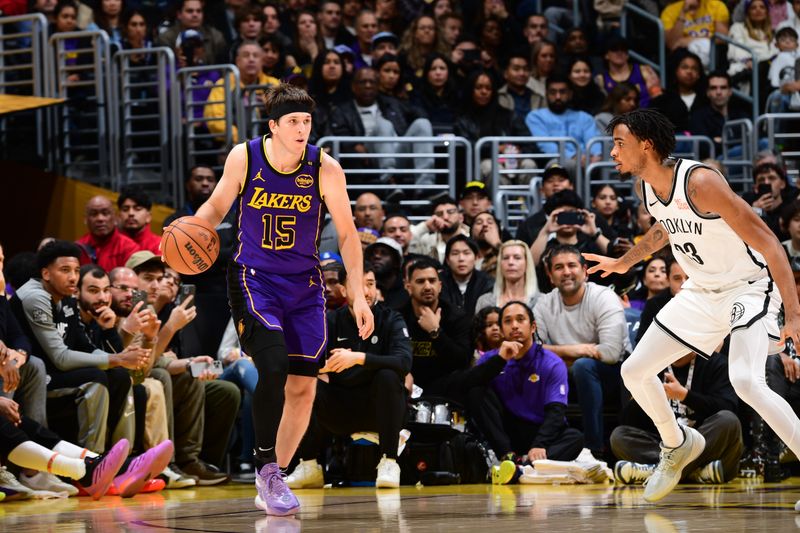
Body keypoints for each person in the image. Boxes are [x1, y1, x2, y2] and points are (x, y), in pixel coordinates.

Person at [584, 109, 800, 505]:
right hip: (702, 292)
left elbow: (770, 243)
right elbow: (666, 226)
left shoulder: (700, 181)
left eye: (619, 143)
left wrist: (795, 314)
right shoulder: (647, 187)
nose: (612, 152)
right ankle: (677, 443)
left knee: (747, 381)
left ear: (645, 145)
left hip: (746, 288)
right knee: (634, 371)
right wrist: (624, 262)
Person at [192, 83, 374, 516]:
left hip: (305, 285)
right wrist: (191, 228)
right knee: (272, 365)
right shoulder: (246, 156)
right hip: (254, 279)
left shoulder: (325, 167)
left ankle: (274, 475)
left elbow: (348, 235)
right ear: (273, 126)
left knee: (303, 387)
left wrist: (358, 294)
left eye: (307, 121)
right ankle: (263, 462)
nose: (301, 129)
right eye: (292, 121)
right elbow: (217, 206)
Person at [285, 264, 412, 489]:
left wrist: (359, 358)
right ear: (343, 291)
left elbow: (404, 363)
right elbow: (302, 362)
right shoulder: (330, 321)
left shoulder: (391, 318)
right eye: (357, 285)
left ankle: (389, 462)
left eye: (370, 285)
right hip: (339, 408)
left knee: (388, 376)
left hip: (380, 408)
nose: (366, 291)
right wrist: (326, 368)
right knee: (302, 383)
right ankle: (308, 465)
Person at [468, 301, 584, 476]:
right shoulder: (490, 361)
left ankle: (524, 466)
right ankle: (509, 458)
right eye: (507, 321)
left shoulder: (551, 362)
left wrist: (539, 444)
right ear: (501, 329)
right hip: (506, 434)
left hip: (540, 429)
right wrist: (500, 361)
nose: (514, 325)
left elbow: (556, 411)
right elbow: (470, 393)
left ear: (532, 327)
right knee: (475, 388)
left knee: (575, 438)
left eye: (520, 319)